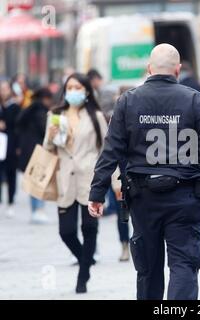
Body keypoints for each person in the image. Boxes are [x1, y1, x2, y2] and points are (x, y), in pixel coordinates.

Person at [88, 44, 200, 300]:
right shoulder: (193, 99)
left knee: (148, 269)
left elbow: (111, 150)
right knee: (184, 265)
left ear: (149, 69)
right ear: (178, 69)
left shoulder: (128, 101)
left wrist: (97, 191)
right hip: (185, 195)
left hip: (143, 198)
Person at [43, 73, 108, 294]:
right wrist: (50, 137)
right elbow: (48, 150)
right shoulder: (55, 115)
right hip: (65, 180)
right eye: (69, 87)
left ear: (87, 91)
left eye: (78, 87)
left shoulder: (96, 116)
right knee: (66, 231)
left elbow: (107, 151)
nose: (73, 91)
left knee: (90, 228)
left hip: (90, 180)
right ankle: (85, 262)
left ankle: (82, 279)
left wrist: (116, 182)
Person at [16, 88, 54, 224]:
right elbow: (45, 130)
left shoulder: (29, 109)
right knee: (38, 181)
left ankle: (35, 210)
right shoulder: (40, 112)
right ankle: (38, 210)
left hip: (28, 149)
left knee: (33, 180)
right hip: (38, 150)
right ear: (45, 99)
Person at [0, 80, 20, 218]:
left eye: (5, 88)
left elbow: (18, 126)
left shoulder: (14, 107)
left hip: (11, 144)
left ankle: (11, 201)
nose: (3, 91)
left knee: (11, 173)